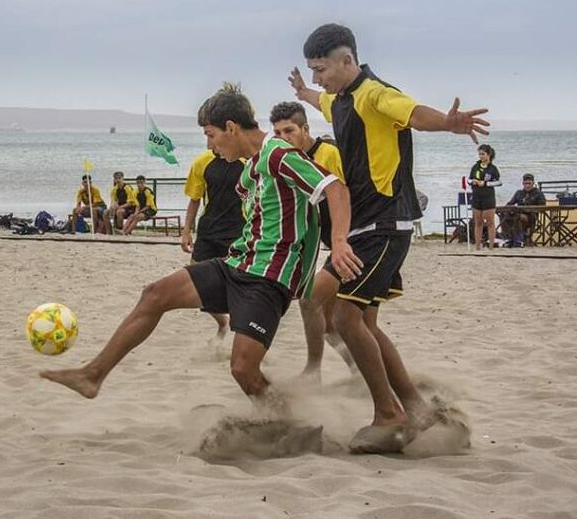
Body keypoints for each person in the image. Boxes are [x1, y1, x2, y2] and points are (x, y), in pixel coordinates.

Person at [39, 83, 359, 407]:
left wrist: (339, 242)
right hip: (239, 265)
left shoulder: (278, 154)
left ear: (231, 128)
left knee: (243, 369)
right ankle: (92, 375)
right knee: (155, 293)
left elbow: (334, 187)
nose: (210, 144)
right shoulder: (250, 167)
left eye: (210, 134)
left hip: (269, 279)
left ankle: (287, 421)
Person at [289, 23, 489, 452]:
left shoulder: (375, 93)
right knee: (356, 320)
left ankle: (388, 414)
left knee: (343, 317)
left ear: (347, 61)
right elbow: (322, 101)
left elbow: (414, 113)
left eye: (322, 68)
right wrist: (305, 91)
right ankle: (415, 408)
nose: (319, 76)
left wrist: (449, 123)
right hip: (365, 225)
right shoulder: (341, 98)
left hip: (384, 224)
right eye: (313, 70)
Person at [268, 101, 355, 376]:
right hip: (333, 245)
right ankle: (358, 371)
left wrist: (342, 240)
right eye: (277, 133)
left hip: (352, 242)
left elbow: (345, 195)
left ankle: (313, 371)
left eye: (289, 131)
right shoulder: (290, 162)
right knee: (329, 324)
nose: (283, 138)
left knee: (309, 300)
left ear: (305, 129)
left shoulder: (327, 153)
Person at [181, 147, 245, 342]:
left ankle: (241, 332)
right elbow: (194, 199)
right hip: (208, 230)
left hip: (238, 230)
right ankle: (222, 322)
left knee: (239, 284)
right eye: (207, 135)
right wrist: (186, 230)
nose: (210, 141)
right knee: (196, 280)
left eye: (212, 134)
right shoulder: (202, 162)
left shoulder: (246, 161)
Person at [469, 144, 501, 250]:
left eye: (483, 154)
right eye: (479, 154)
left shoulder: (493, 168)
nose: (481, 156)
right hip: (476, 196)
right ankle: (477, 246)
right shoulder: (475, 167)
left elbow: (499, 182)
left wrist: (486, 184)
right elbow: (468, 179)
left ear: (488, 155)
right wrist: (472, 181)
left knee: (490, 222)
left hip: (488, 197)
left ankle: (491, 246)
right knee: (478, 222)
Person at [501, 173, 546, 247]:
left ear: (533, 183)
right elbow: (510, 203)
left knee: (517, 217)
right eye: (525, 183)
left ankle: (519, 240)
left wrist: (531, 209)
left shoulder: (538, 193)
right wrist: (507, 209)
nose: (527, 185)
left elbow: (542, 207)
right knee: (503, 215)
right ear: (523, 183)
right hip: (517, 214)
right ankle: (507, 238)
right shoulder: (519, 193)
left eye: (529, 183)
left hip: (531, 217)